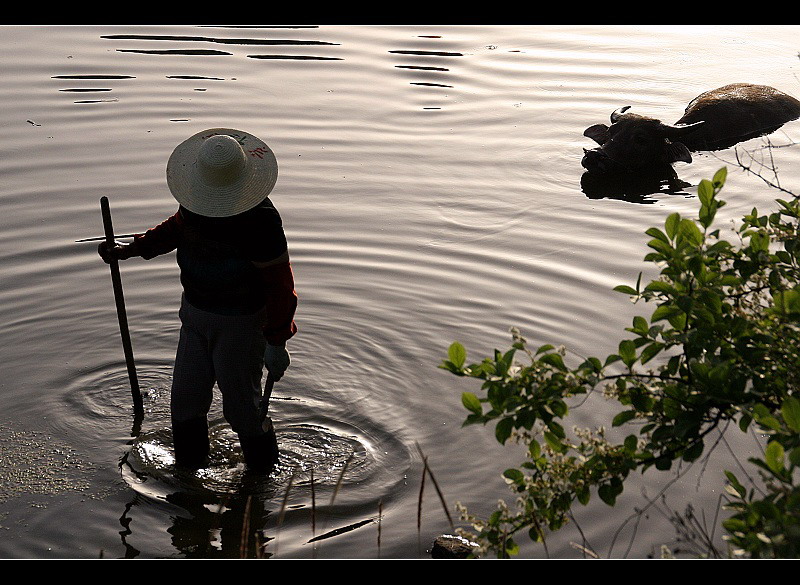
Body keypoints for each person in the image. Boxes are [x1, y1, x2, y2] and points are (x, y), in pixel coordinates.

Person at [99, 128, 298, 473]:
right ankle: (188, 486)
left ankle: (260, 484)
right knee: (185, 403)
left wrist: (277, 340)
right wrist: (130, 250)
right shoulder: (195, 203)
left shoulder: (261, 220)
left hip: (241, 322)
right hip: (194, 315)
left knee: (242, 410)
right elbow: (173, 230)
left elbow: (279, 284)